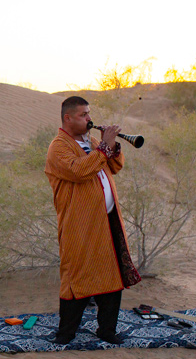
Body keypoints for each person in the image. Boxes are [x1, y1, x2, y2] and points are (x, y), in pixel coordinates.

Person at [44, 96, 142, 345]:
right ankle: (65, 333)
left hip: (106, 220)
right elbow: (79, 171)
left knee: (111, 274)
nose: (89, 119)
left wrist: (113, 148)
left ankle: (107, 330)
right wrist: (104, 148)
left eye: (89, 113)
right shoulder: (58, 147)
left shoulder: (94, 142)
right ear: (68, 118)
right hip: (79, 225)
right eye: (83, 115)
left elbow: (115, 167)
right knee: (77, 275)